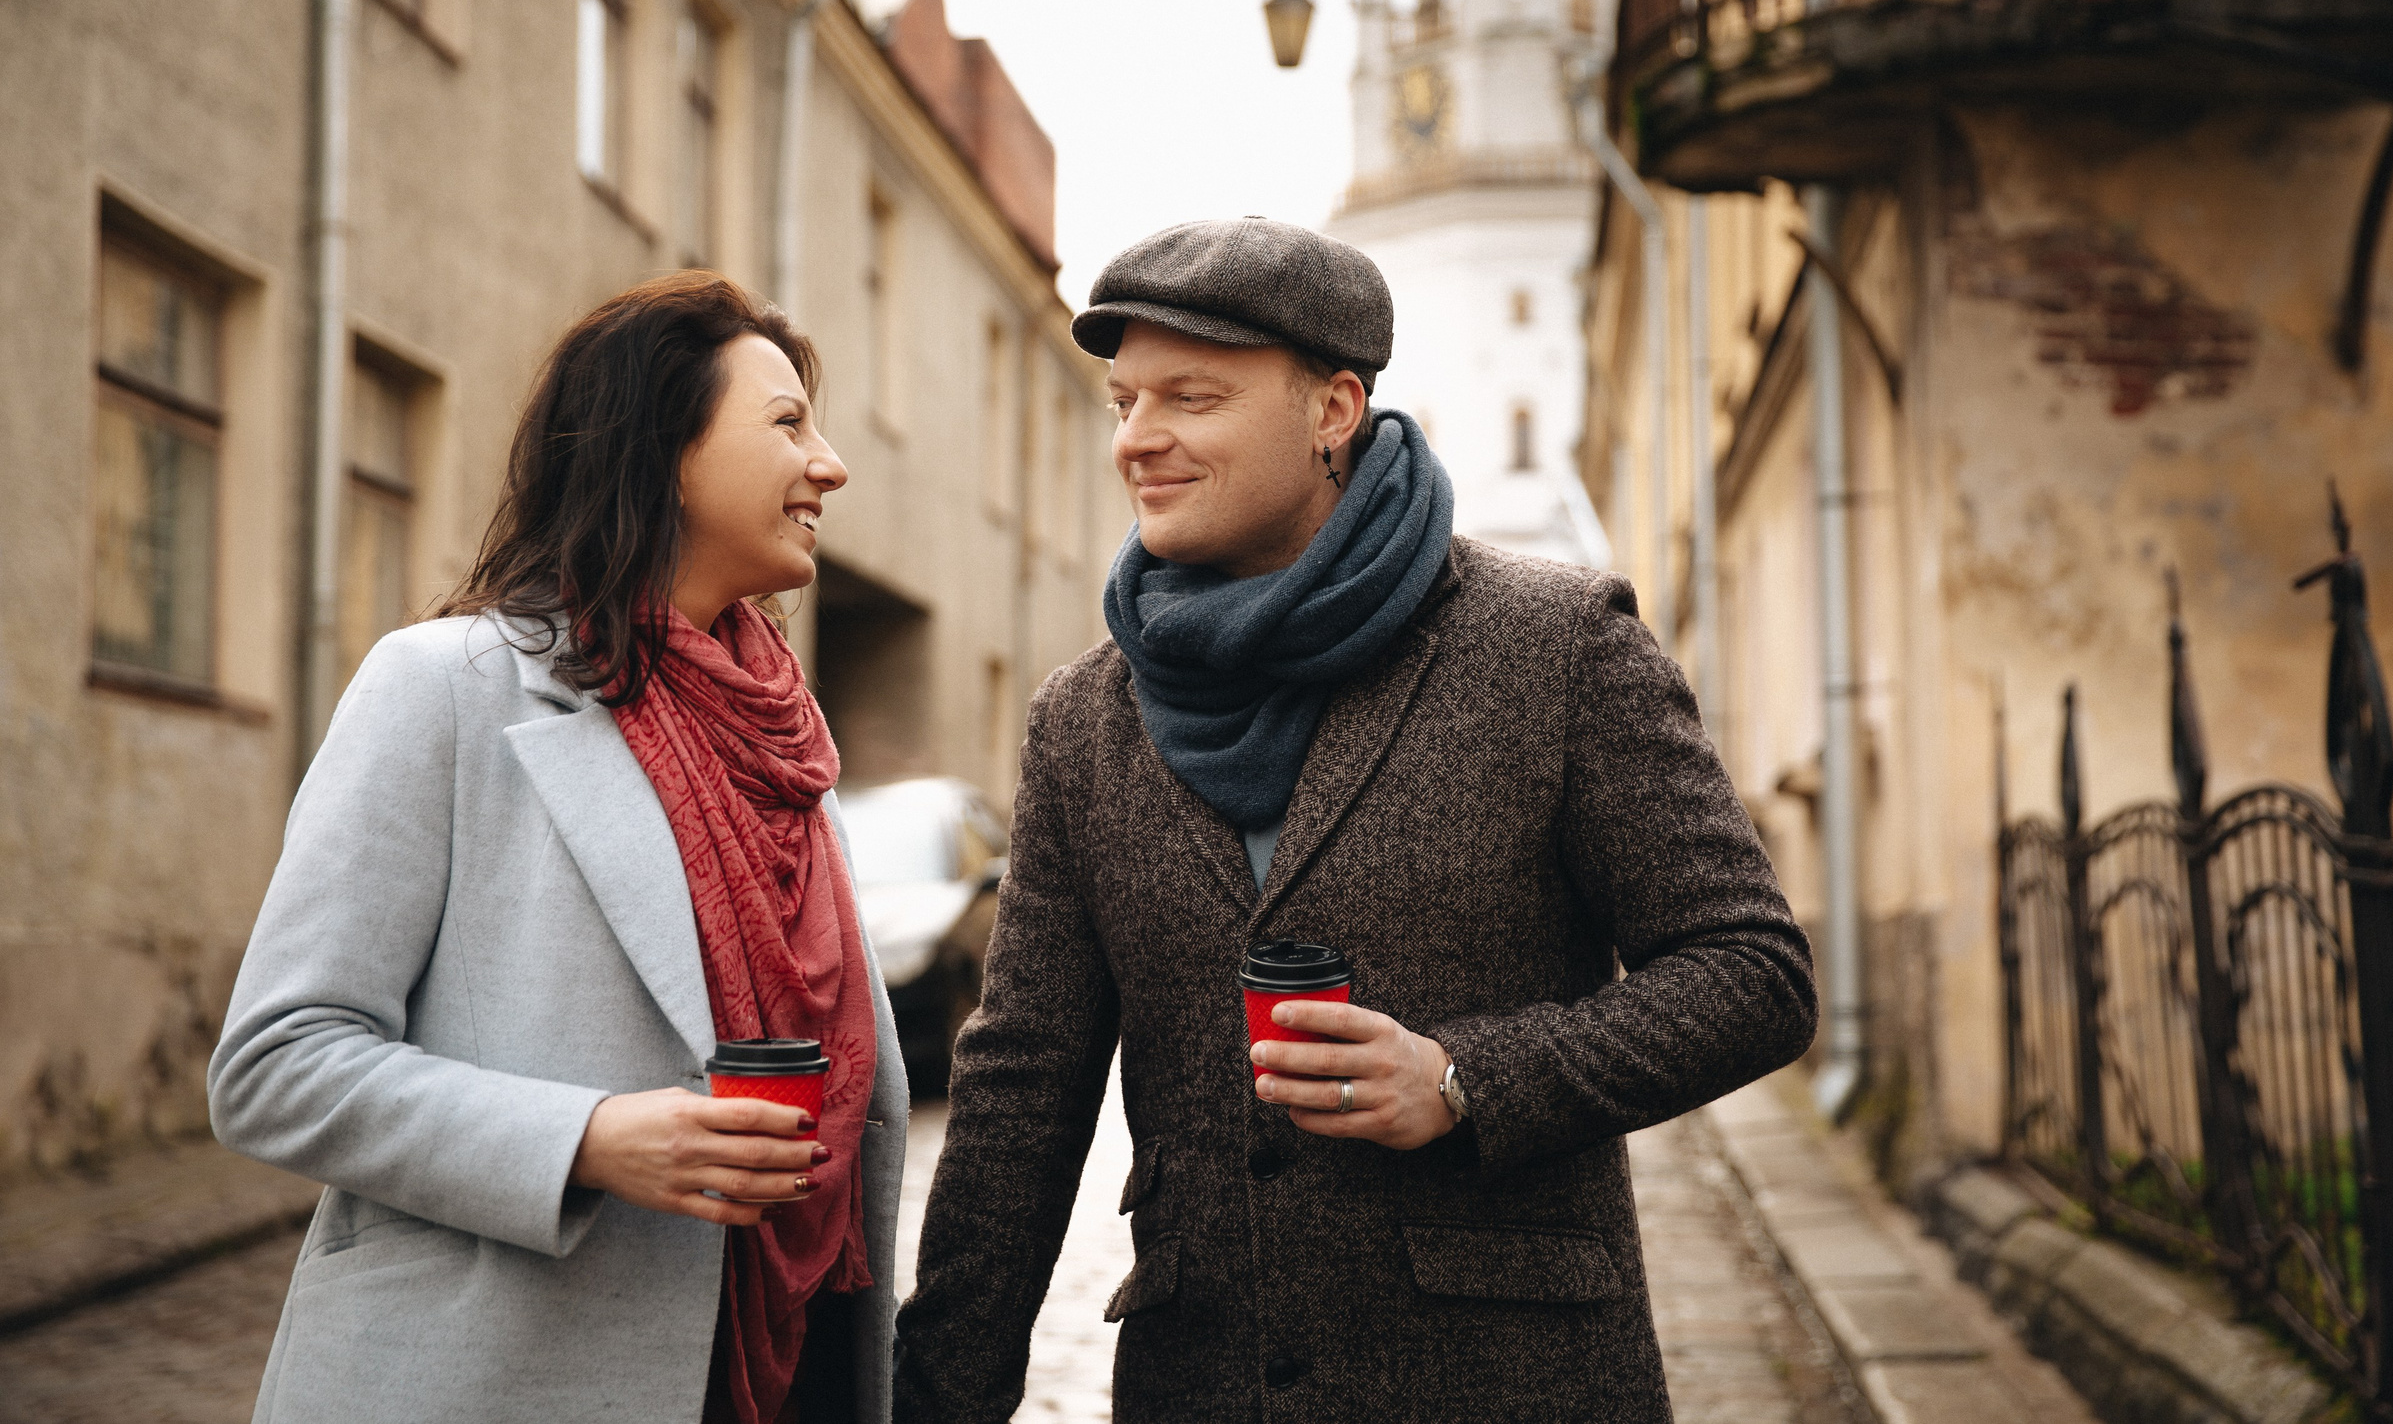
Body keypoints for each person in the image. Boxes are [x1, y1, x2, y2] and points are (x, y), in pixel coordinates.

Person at [893, 218, 1816, 1423]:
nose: (1138, 440)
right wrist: (938, 1392)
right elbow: (1022, 1083)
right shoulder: (1085, 717)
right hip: (1201, 1383)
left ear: (1332, 410)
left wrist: (1466, 1078)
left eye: (1191, 398)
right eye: (1124, 402)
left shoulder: (1556, 645)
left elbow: (1752, 975)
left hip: (1511, 1383)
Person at [210, 274, 907, 1424]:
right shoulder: (446, 688)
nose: (828, 463)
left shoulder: (782, 741)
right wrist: (585, 1141)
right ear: (661, 450)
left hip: (789, 1370)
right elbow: (273, 1065)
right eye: (787, 423)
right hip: (502, 1380)